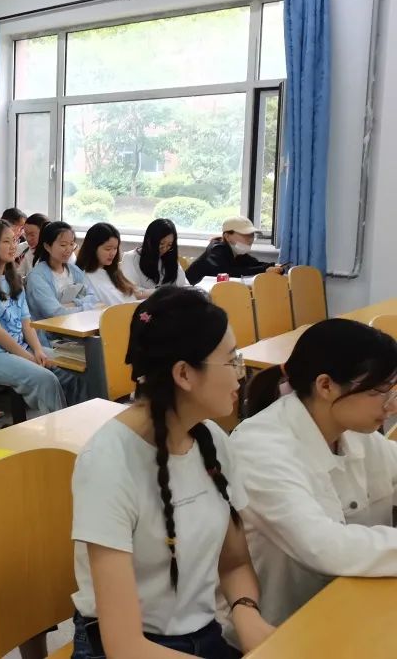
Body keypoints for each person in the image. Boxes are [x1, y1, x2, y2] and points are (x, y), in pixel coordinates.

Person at [70, 288, 274, 659]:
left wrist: (246, 613)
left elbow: (235, 563)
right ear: (184, 374)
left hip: (202, 636)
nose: (240, 375)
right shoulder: (107, 462)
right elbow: (125, 647)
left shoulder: (212, 440)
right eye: (231, 361)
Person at [230, 319, 397, 630]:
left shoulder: (353, 429)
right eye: (380, 391)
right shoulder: (260, 447)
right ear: (326, 386)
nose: (391, 406)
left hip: (346, 604)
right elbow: (323, 546)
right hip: (280, 628)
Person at [0, 220, 69, 416]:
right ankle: (60, 428)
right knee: (45, 378)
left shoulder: (13, 277)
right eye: (6, 241)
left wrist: (38, 350)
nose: (13, 246)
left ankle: (76, 418)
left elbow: (25, 321)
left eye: (14, 240)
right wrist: (29, 358)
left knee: (70, 367)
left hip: (19, 347)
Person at [26, 221, 97, 320]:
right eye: (63, 245)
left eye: (71, 244)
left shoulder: (74, 270)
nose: (69, 249)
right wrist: (86, 306)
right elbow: (54, 313)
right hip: (49, 328)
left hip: (76, 324)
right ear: (47, 247)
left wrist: (74, 303)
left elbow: (94, 297)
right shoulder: (37, 276)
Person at [185, 217, 285, 285]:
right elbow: (228, 273)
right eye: (245, 235)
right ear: (227, 236)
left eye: (251, 235)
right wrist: (264, 270)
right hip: (192, 296)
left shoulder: (238, 252)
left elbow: (254, 264)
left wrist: (273, 266)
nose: (250, 239)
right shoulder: (217, 250)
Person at [77, 222, 144, 307]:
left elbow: (132, 294)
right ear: (93, 248)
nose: (112, 253)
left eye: (115, 248)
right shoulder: (84, 276)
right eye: (108, 249)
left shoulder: (114, 272)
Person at [121, 218, 189, 292]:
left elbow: (183, 285)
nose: (165, 249)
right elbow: (131, 291)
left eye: (169, 245)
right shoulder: (130, 258)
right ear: (149, 240)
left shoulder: (169, 257)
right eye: (161, 244)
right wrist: (161, 293)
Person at [19, 213, 49, 280]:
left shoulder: (55, 252)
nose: (28, 239)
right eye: (26, 234)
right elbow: (17, 277)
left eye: (32, 235)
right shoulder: (21, 249)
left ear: (44, 233)